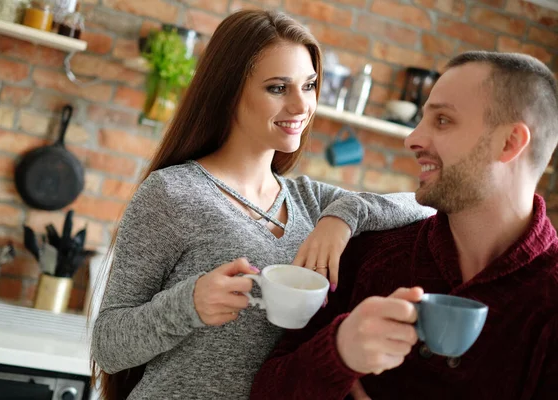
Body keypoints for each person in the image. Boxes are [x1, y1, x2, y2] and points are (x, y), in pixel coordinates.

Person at [90, 9, 435, 400]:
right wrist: (190, 304)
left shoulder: (312, 202)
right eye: (277, 88)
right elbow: (108, 344)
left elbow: (424, 205)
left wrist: (343, 217)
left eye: (309, 85)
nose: (301, 106)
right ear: (229, 90)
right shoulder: (172, 193)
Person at [251, 50, 558, 400]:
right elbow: (266, 390)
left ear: (510, 143)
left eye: (442, 120)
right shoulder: (371, 251)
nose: (412, 138)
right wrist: (338, 351)